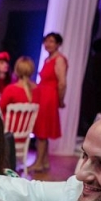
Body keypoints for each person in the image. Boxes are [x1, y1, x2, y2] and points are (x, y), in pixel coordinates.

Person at [31, 32, 67, 172]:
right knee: (42, 131)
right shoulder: (48, 59)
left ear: (58, 44)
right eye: (46, 41)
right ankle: (44, 162)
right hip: (43, 96)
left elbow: (62, 83)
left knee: (42, 132)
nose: (48, 44)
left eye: (51, 41)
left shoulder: (59, 59)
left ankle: (38, 162)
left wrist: (60, 100)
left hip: (49, 98)